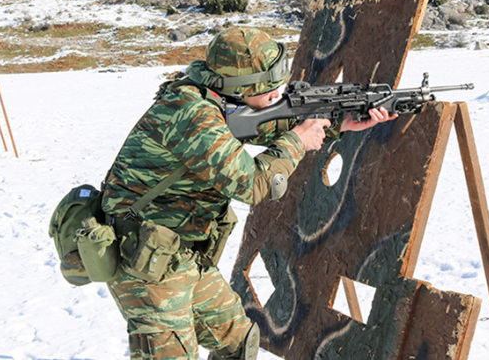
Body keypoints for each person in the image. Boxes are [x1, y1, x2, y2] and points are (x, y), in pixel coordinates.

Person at [100, 27, 393, 360]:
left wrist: (338, 122)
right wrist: (298, 140)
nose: (276, 95)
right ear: (241, 86)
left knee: (239, 343)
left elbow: (265, 122)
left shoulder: (213, 97)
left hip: (183, 255)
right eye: (268, 89)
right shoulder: (192, 114)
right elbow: (251, 184)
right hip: (147, 266)